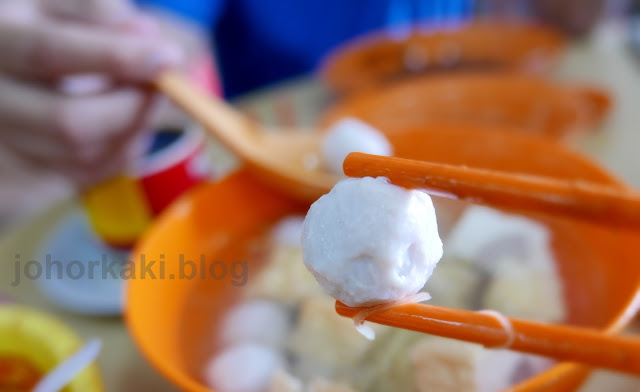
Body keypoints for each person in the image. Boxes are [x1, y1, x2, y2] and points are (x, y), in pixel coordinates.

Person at [0, 0, 612, 190]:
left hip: (480, 124)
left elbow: (574, 22)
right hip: (279, 166)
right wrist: (95, 61)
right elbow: (166, 39)